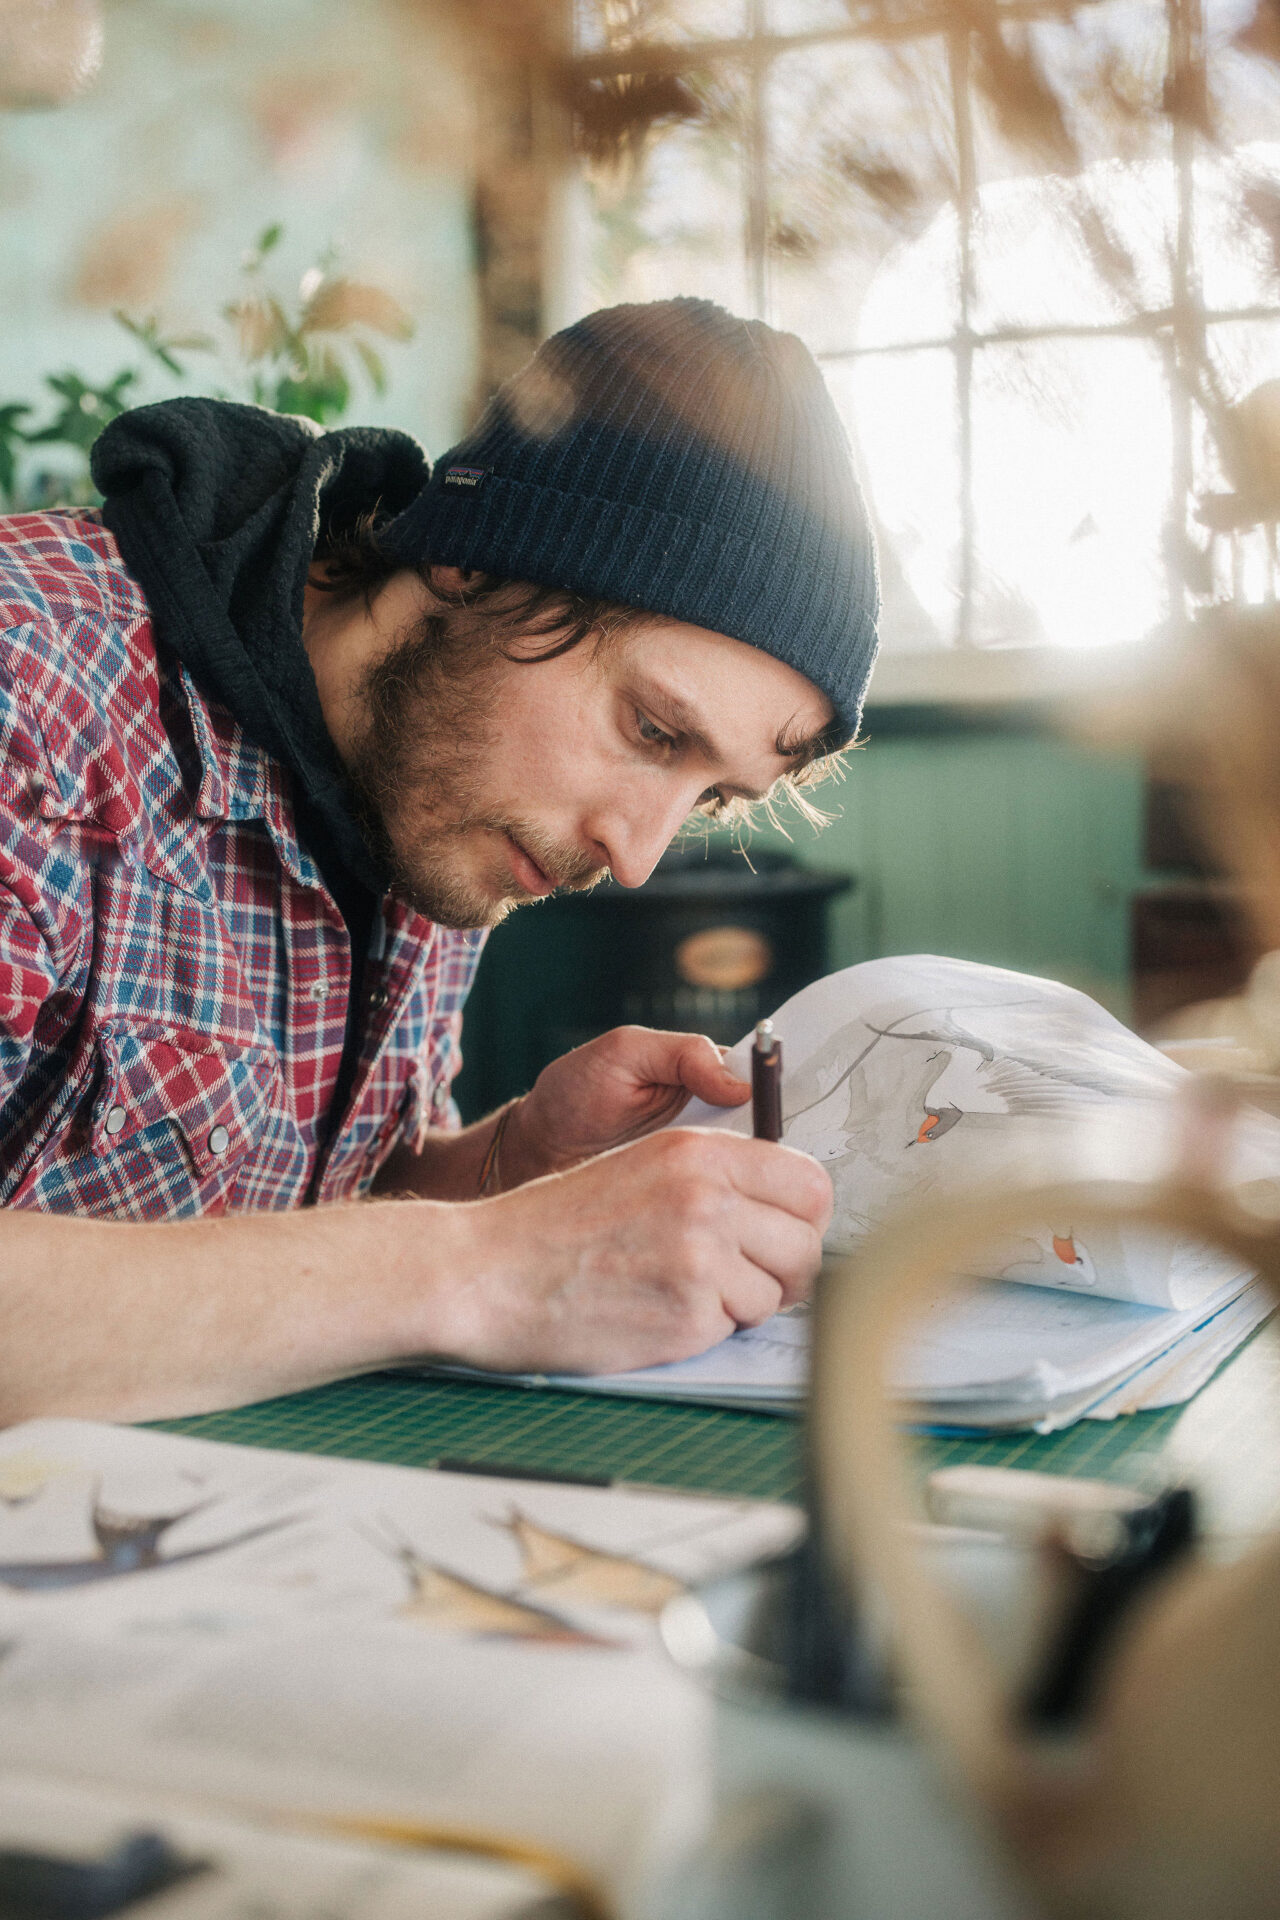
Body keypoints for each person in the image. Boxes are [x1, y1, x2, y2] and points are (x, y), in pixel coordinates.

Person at [0, 297, 879, 1424]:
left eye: (706, 794)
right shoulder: (30, 689)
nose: (638, 853)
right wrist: (486, 1263)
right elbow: (419, 1275)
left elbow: (297, 1223)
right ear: (472, 561)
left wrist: (506, 1165)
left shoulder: (435, 788)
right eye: (652, 731)